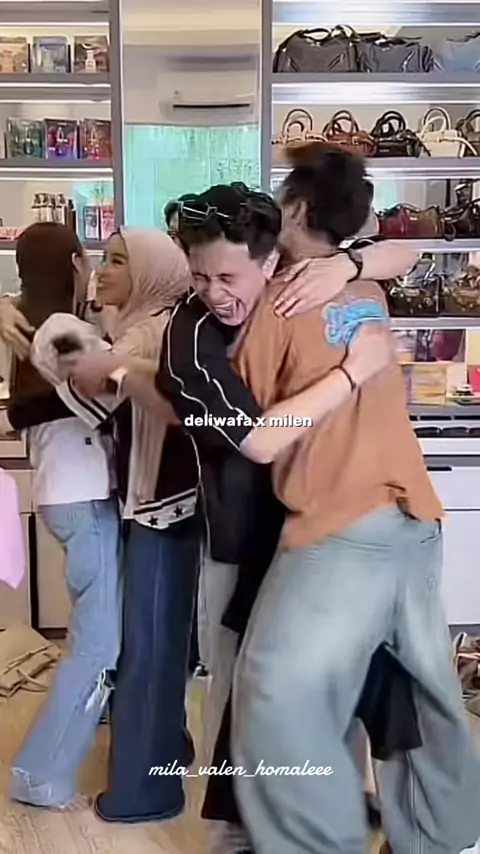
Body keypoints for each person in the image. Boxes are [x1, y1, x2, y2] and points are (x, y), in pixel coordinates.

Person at [175, 144, 480, 854]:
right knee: (410, 692)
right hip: (415, 520)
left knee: (276, 691)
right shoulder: (366, 290)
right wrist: (349, 268)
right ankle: (436, 837)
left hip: (339, 527)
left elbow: (255, 435)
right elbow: (402, 254)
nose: (217, 288)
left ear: (297, 210)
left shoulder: (280, 303)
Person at [0, 222, 121, 811]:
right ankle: (39, 773)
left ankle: (76, 732)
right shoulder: (62, 329)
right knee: (97, 644)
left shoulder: (34, 324)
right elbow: (109, 389)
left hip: (65, 493)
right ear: (74, 263)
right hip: (84, 496)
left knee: (92, 634)